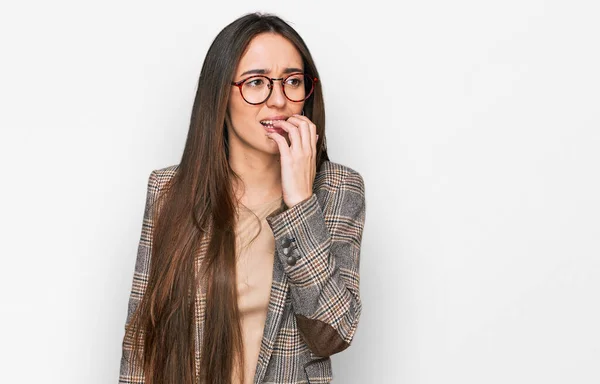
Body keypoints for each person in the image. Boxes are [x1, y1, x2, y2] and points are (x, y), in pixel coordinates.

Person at [119, 11, 366, 384]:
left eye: (292, 81)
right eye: (256, 83)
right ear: (221, 93)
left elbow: (332, 332)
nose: (278, 100)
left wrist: (300, 202)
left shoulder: (337, 189)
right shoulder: (168, 190)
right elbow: (142, 341)